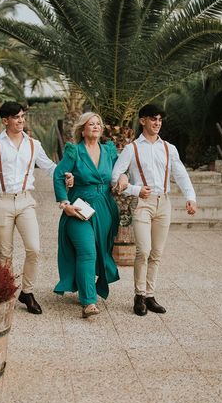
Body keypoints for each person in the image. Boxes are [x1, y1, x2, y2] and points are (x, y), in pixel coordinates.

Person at [0, 101, 72, 315]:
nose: (21, 120)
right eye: (16, 117)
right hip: (1, 200)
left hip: (25, 201)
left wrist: (64, 174)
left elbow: (48, 166)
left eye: (22, 117)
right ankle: (6, 291)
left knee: (34, 249)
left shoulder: (33, 144)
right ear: (5, 121)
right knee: (5, 253)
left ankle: (27, 292)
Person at [111, 104, 197, 316]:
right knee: (144, 251)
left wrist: (191, 197)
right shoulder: (132, 148)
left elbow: (181, 174)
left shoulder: (169, 148)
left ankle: (150, 296)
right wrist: (135, 189)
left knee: (156, 253)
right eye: (153, 119)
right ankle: (139, 295)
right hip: (142, 204)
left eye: (159, 119)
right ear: (142, 121)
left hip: (163, 203)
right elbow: (115, 177)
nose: (157, 123)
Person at [53, 112, 128, 318]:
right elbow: (59, 175)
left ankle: (87, 286)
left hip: (105, 208)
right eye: (91, 124)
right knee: (87, 251)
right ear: (83, 129)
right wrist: (64, 203)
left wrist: (122, 178)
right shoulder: (74, 151)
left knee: (101, 251)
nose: (96, 126)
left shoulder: (109, 150)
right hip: (79, 207)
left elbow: (120, 170)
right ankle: (89, 302)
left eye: (98, 124)